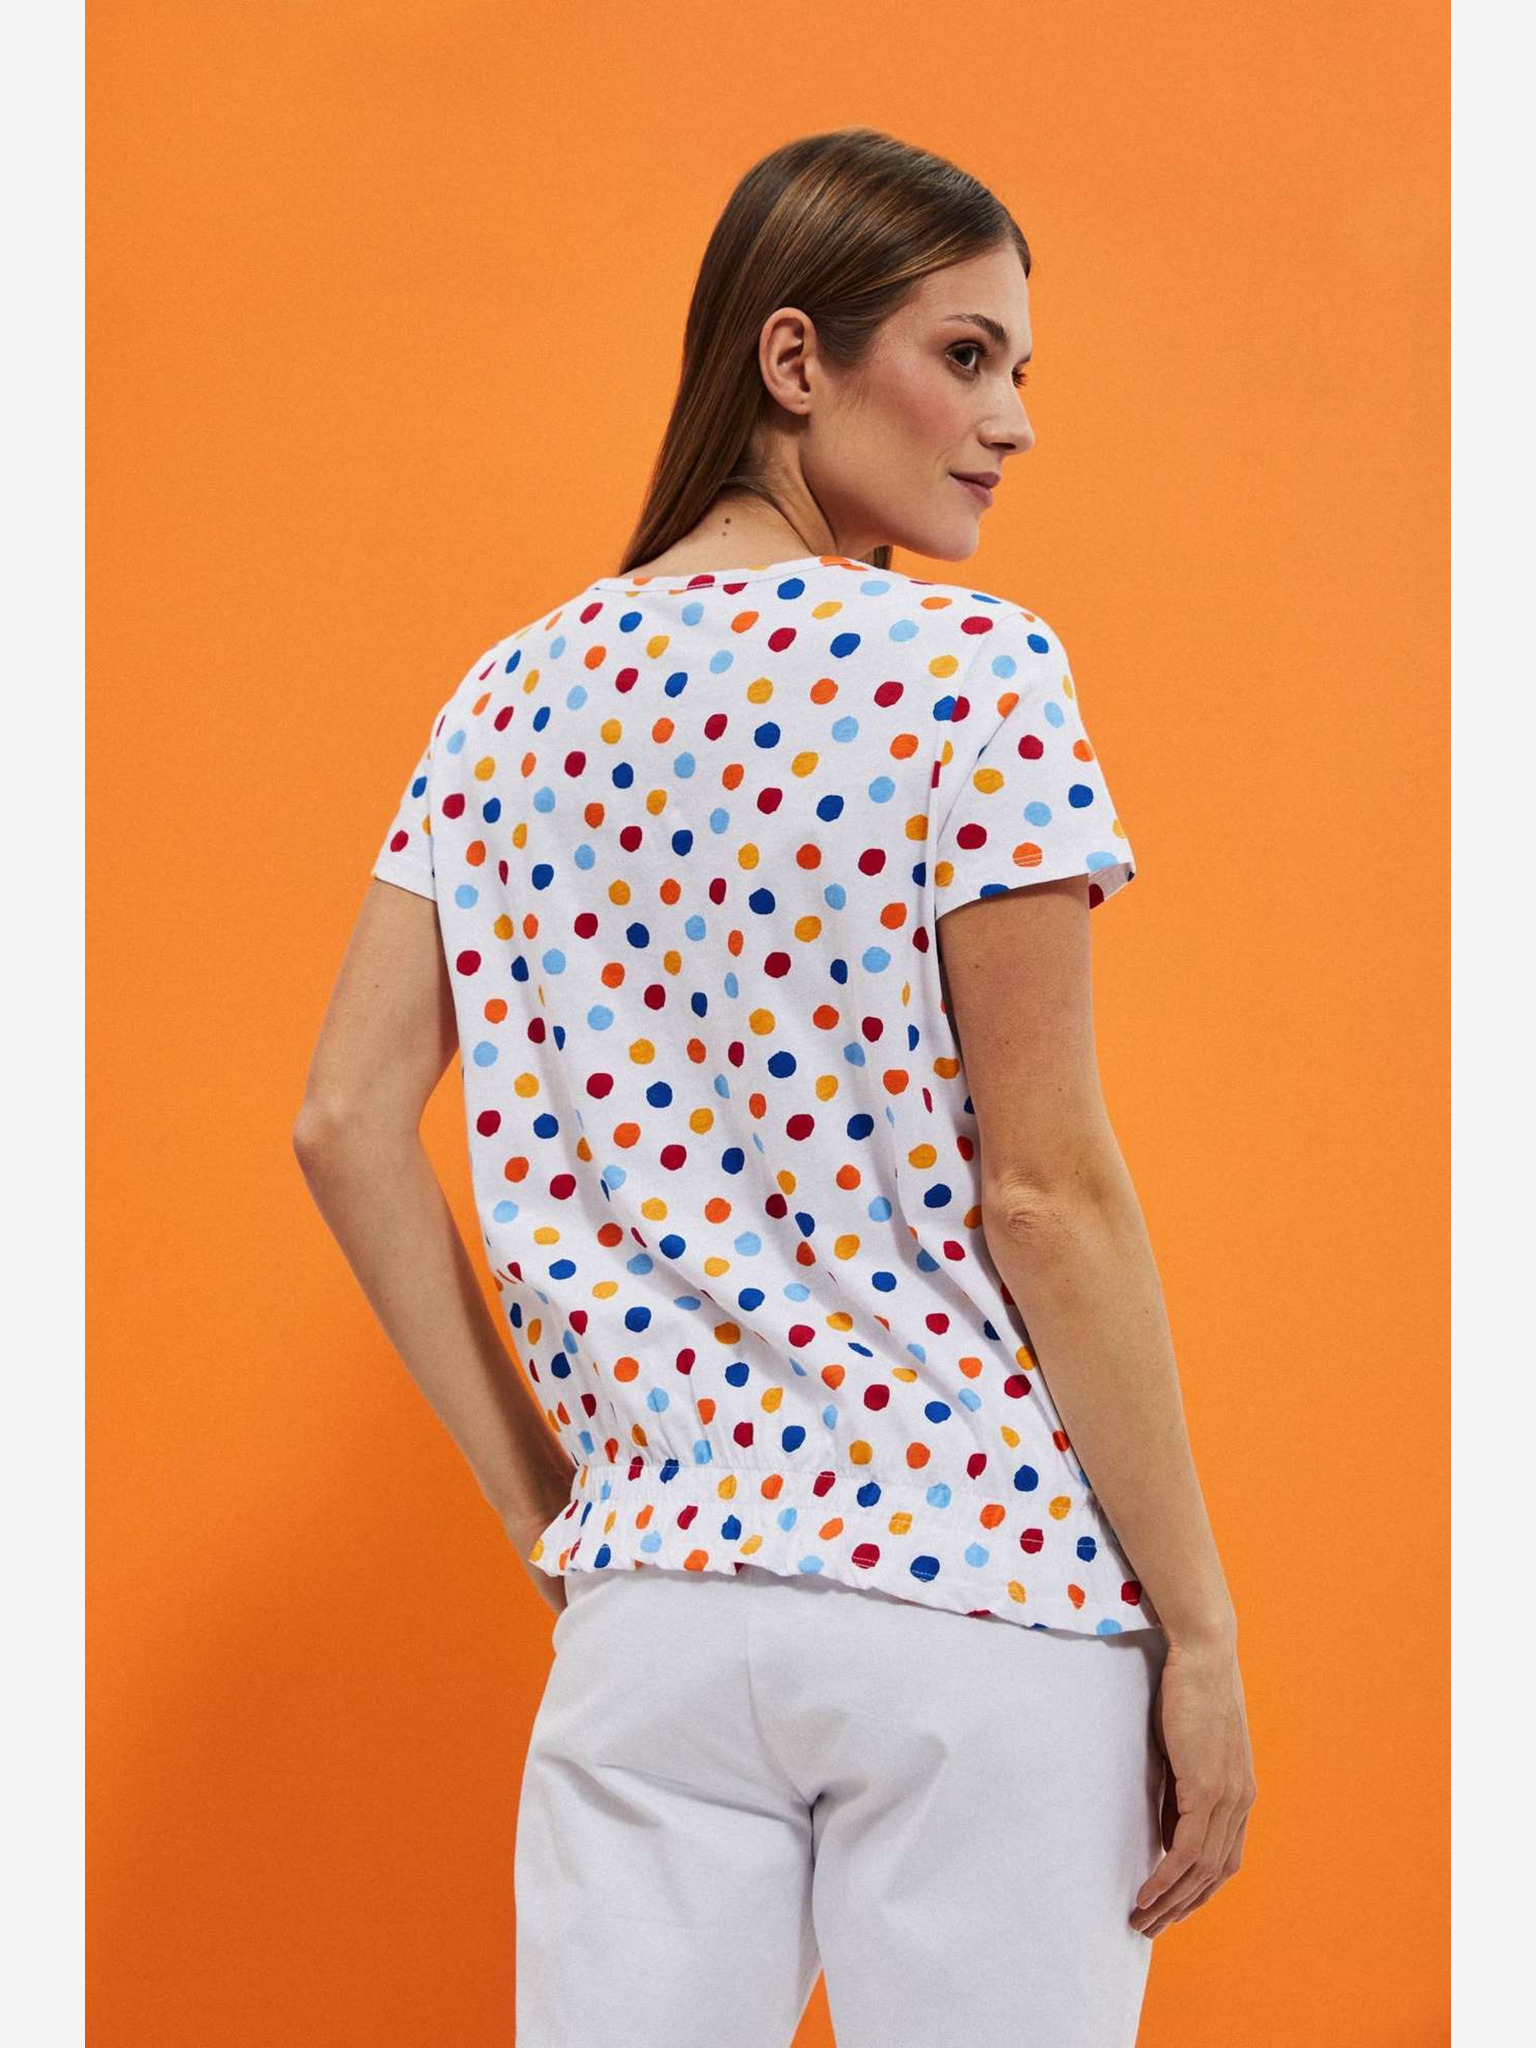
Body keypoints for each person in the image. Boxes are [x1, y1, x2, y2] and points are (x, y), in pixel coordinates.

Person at [294, 126, 1257, 2048]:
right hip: (975, 1598)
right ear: (796, 359)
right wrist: (1205, 1632)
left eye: (1020, 369)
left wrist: (554, 1507)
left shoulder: (507, 699)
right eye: (966, 356)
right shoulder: (972, 671)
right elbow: (1046, 1190)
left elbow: (342, 1122)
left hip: (652, 1622)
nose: (1013, 421)